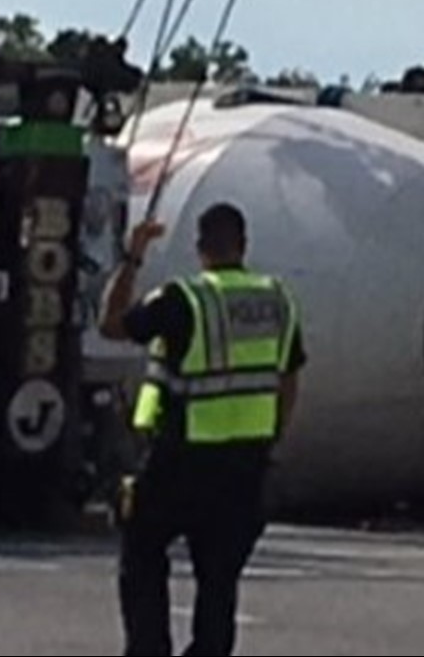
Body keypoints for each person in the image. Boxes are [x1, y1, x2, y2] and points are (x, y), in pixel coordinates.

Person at [99, 202, 304, 657]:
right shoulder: (276, 300)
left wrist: (133, 258)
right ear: (243, 244)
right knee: (219, 581)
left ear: (200, 248)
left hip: (180, 462)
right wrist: (269, 442)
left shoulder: (183, 300)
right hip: (244, 467)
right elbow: (288, 382)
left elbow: (111, 324)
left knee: (142, 553)